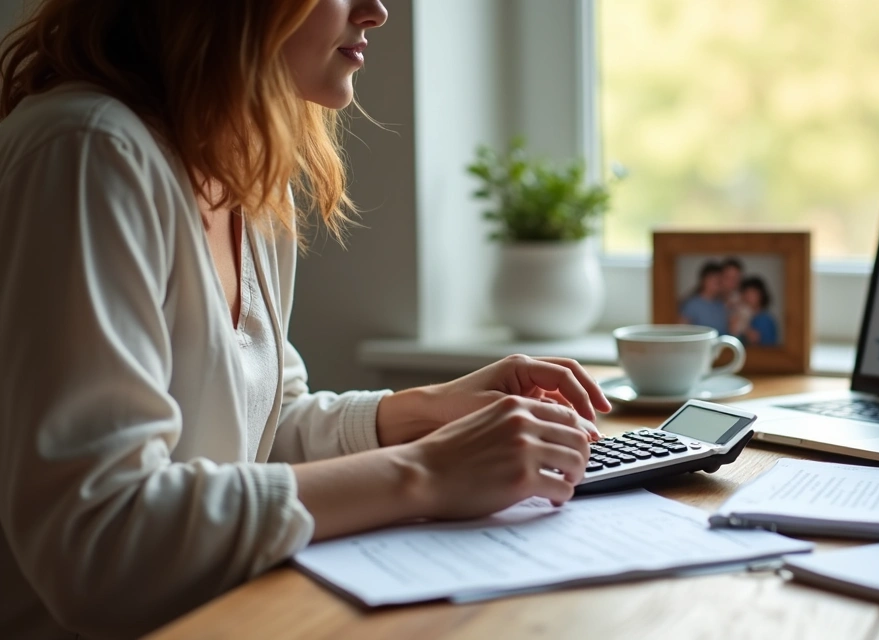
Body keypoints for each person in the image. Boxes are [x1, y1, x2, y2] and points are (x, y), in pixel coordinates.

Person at [0, 1, 612, 637]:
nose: (375, 12)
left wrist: (421, 410)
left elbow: (257, 432)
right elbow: (98, 545)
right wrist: (426, 472)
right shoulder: (87, 152)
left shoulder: (242, 169)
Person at [678, 261, 729, 334]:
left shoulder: (721, 304)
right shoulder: (692, 304)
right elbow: (681, 330)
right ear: (704, 280)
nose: (717, 283)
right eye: (713, 279)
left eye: (719, 280)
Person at [739, 276, 780, 346]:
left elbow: (756, 340)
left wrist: (744, 329)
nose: (747, 297)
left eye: (752, 293)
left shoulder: (764, 318)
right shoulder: (748, 316)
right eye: (745, 293)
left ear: (761, 295)